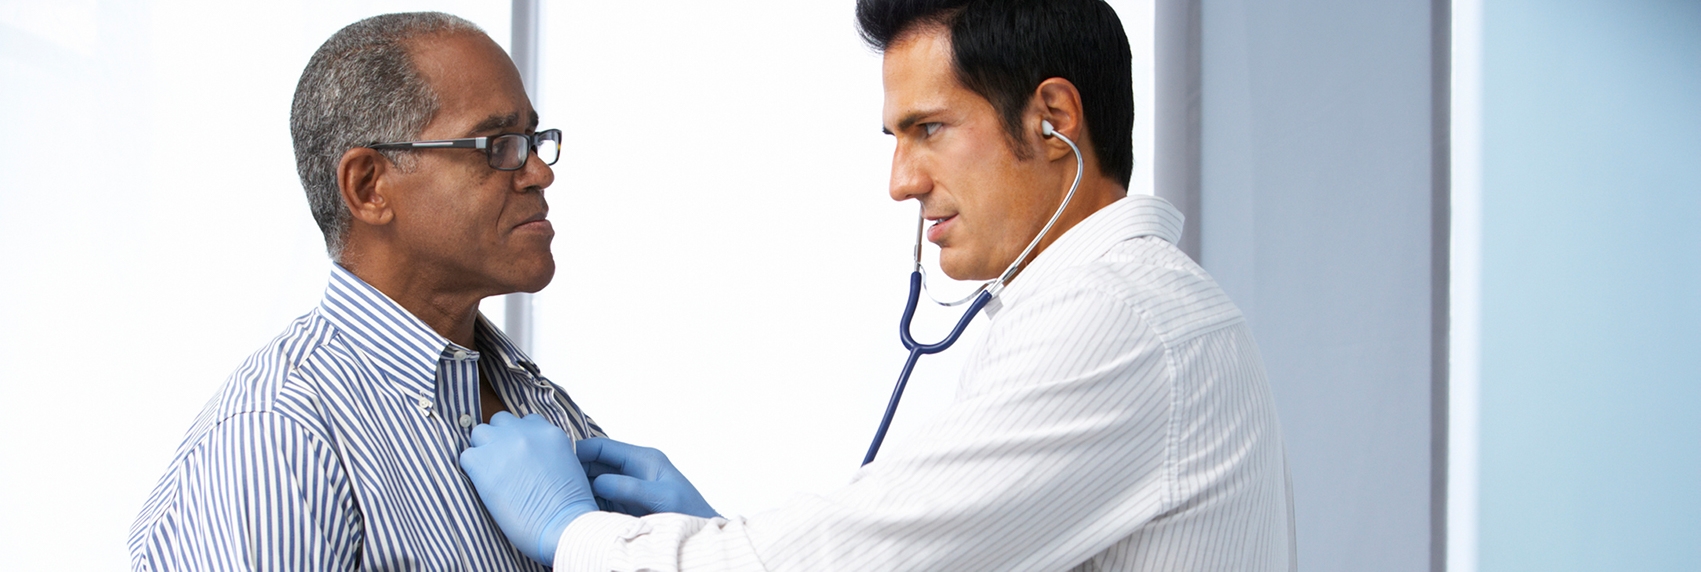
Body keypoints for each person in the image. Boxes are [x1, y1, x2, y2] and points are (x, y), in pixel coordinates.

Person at [458, 0, 1297, 570]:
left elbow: (864, 558)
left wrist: (579, 538)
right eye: (896, 137)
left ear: (1052, 119)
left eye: (928, 129)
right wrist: (714, 532)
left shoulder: (1116, 318)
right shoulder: (1102, 307)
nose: (901, 181)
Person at [128, 12, 602, 571]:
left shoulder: (537, 402)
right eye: (499, 145)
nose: (538, 173)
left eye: (532, 139)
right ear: (368, 186)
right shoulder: (278, 438)